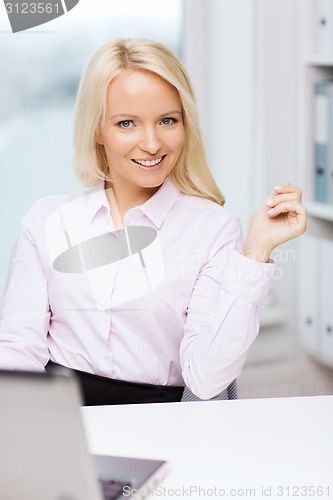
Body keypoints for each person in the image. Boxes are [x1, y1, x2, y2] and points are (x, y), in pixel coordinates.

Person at [0, 39, 306, 405]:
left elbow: (207, 380)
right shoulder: (46, 219)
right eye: (127, 123)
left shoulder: (213, 228)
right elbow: (18, 351)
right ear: (97, 129)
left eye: (167, 120)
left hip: (162, 423)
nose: (151, 143)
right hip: (59, 418)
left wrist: (256, 251)